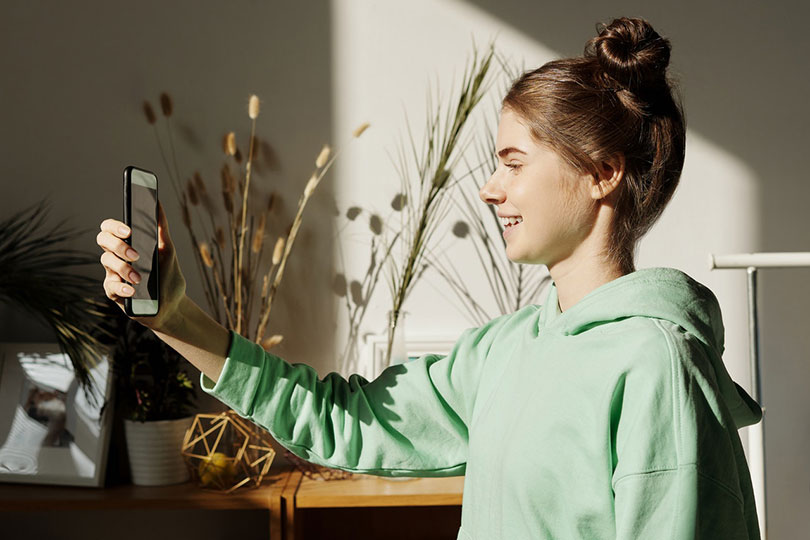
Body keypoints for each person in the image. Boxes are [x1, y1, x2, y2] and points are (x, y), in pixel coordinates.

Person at [97, 17, 762, 540]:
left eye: (512, 162)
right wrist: (174, 318)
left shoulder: (654, 367)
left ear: (602, 172)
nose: (488, 189)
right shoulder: (509, 349)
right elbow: (345, 419)